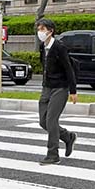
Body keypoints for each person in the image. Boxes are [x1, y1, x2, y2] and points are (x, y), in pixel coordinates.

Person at [36, 18, 77, 165]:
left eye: (42, 29)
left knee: (51, 120)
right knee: (43, 121)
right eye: (39, 29)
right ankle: (67, 137)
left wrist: (73, 91)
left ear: (50, 31)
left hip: (60, 88)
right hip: (47, 87)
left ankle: (53, 154)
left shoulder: (59, 47)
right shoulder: (42, 46)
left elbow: (68, 69)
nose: (40, 32)